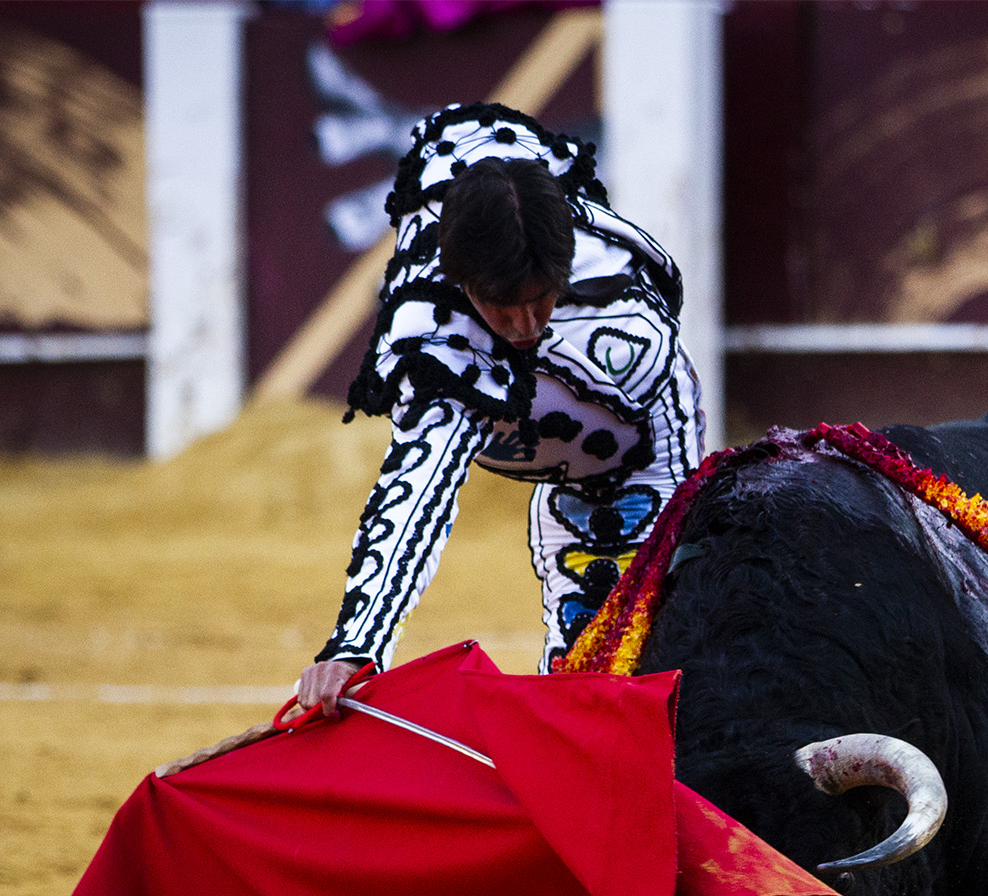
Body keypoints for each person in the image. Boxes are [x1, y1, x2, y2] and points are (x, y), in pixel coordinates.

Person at [295, 103, 703, 716]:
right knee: (585, 697)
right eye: (500, 306)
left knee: (653, 646)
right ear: (463, 286)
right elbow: (419, 485)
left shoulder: (617, 301)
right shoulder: (434, 330)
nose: (523, 325)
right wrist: (357, 643)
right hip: (551, 438)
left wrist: (679, 541)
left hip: (633, 461)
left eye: (539, 301)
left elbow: (668, 408)